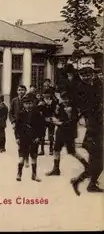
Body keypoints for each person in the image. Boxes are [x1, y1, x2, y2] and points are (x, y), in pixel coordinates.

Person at [71, 60, 103, 194]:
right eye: (83, 75)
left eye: (88, 74)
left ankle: (88, 182)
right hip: (92, 125)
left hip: (96, 126)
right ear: (80, 75)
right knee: (99, 160)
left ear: (92, 75)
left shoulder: (97, 85)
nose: (86, 77)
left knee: (96, 159)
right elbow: (83, 108)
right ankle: (84, 182)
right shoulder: (80, 89)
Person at [46, 91, 89, 177]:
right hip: (60, 132)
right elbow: (56, 115)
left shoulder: (74, 108)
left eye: (67, 99)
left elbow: (72, 122)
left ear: (70, 99)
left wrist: (58, 122)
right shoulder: (60, 106)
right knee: (56, 149)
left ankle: (87, 166)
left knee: (72, 151)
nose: (65, 100)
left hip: (69, 132)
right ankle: (56, 169)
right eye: (63, 99)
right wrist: (54, 117)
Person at [15, 93, 45, 182]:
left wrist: (39, 137)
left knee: (34, 157)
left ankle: (34, 175)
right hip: (23, 138)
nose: (28, 105)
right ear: (23, 104)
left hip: (34, 139)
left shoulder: (37, 114)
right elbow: (17, 128)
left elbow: (42, 127)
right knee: (21, 158)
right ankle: (19, 173)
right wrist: (17, 137)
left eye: (30, 103)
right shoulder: (21, 114)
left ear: (33, 103)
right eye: (26, 103)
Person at [9, 85, 29, 168]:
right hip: (17, 124)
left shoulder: (28, 100)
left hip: (26, 124)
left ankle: (26, 159)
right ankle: (21, 158)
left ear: (25, 91)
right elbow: (10, 113)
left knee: (27, 142)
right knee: (19, 141)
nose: (21, 91)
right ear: (17, 91)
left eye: (23, 90)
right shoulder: (14, 100)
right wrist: (13, 122)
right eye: (19, 90)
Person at [37, 88, 57, 156]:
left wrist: (53, 117)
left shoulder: (54, 101)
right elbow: (37, 110)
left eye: (47, 94)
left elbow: (55, 111)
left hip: (51, 119)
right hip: (43, 120)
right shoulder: (41, 101)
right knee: (42, 136)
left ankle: (51, 149)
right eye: (44, 94)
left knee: (51, 135)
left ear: (50, 94)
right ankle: (42, 150)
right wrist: (39, 105)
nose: (46, 95)